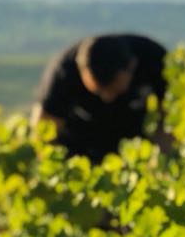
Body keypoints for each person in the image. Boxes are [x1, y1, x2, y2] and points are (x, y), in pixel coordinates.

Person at [33, 33, 169, 160]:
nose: (107, 98)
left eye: (114, 90)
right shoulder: (63, 72)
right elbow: (44, 131)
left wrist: (158, 160)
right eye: (98, 92)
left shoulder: (154, 60)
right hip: (79, 144)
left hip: (135, 143)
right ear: (81, 71)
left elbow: (168, 124)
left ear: (132, 66)